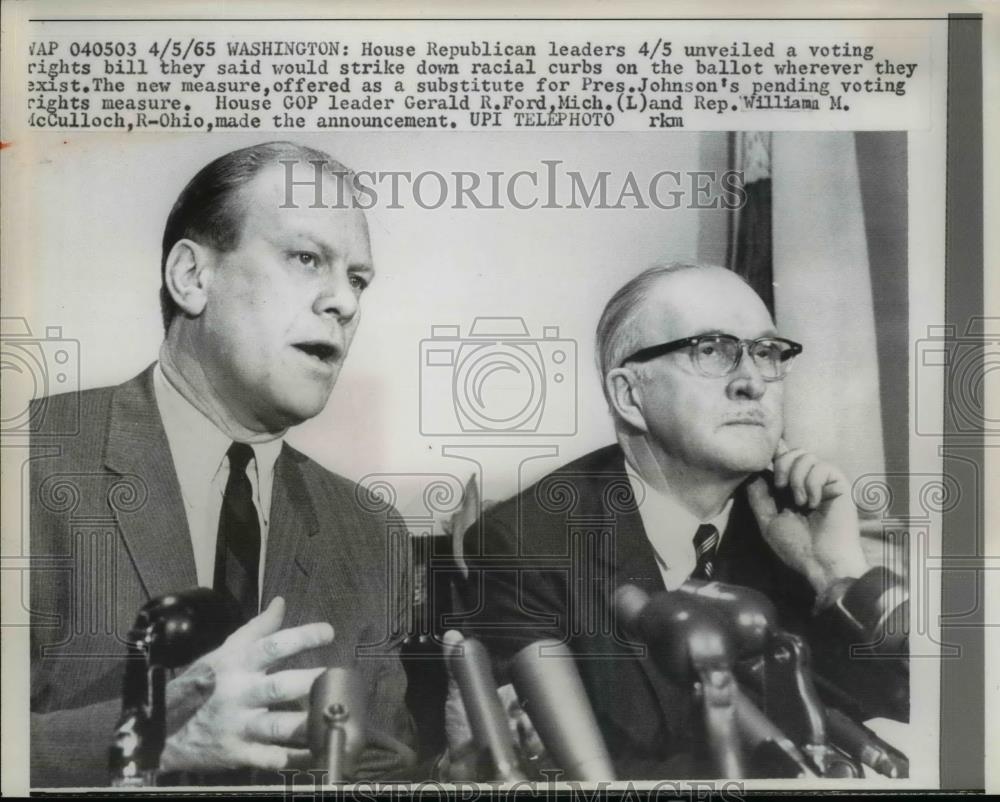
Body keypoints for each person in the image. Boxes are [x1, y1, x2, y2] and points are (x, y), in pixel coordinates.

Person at [29, 142, 411, 787]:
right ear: (192, 277)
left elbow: (383, 764)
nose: (343, 302)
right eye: (306, 258)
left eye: (357, 279)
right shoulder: (26, 461)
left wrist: (461, 769)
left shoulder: (371, 531)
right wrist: (147, 738)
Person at [458, 262, 880, 777]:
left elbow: (891, 728)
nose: (752, 382)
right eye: (712, 351)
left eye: (767, 353)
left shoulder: (797, 518)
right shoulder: (527, 541)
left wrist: (834, 574)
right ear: (629, 396)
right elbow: (598, 772)